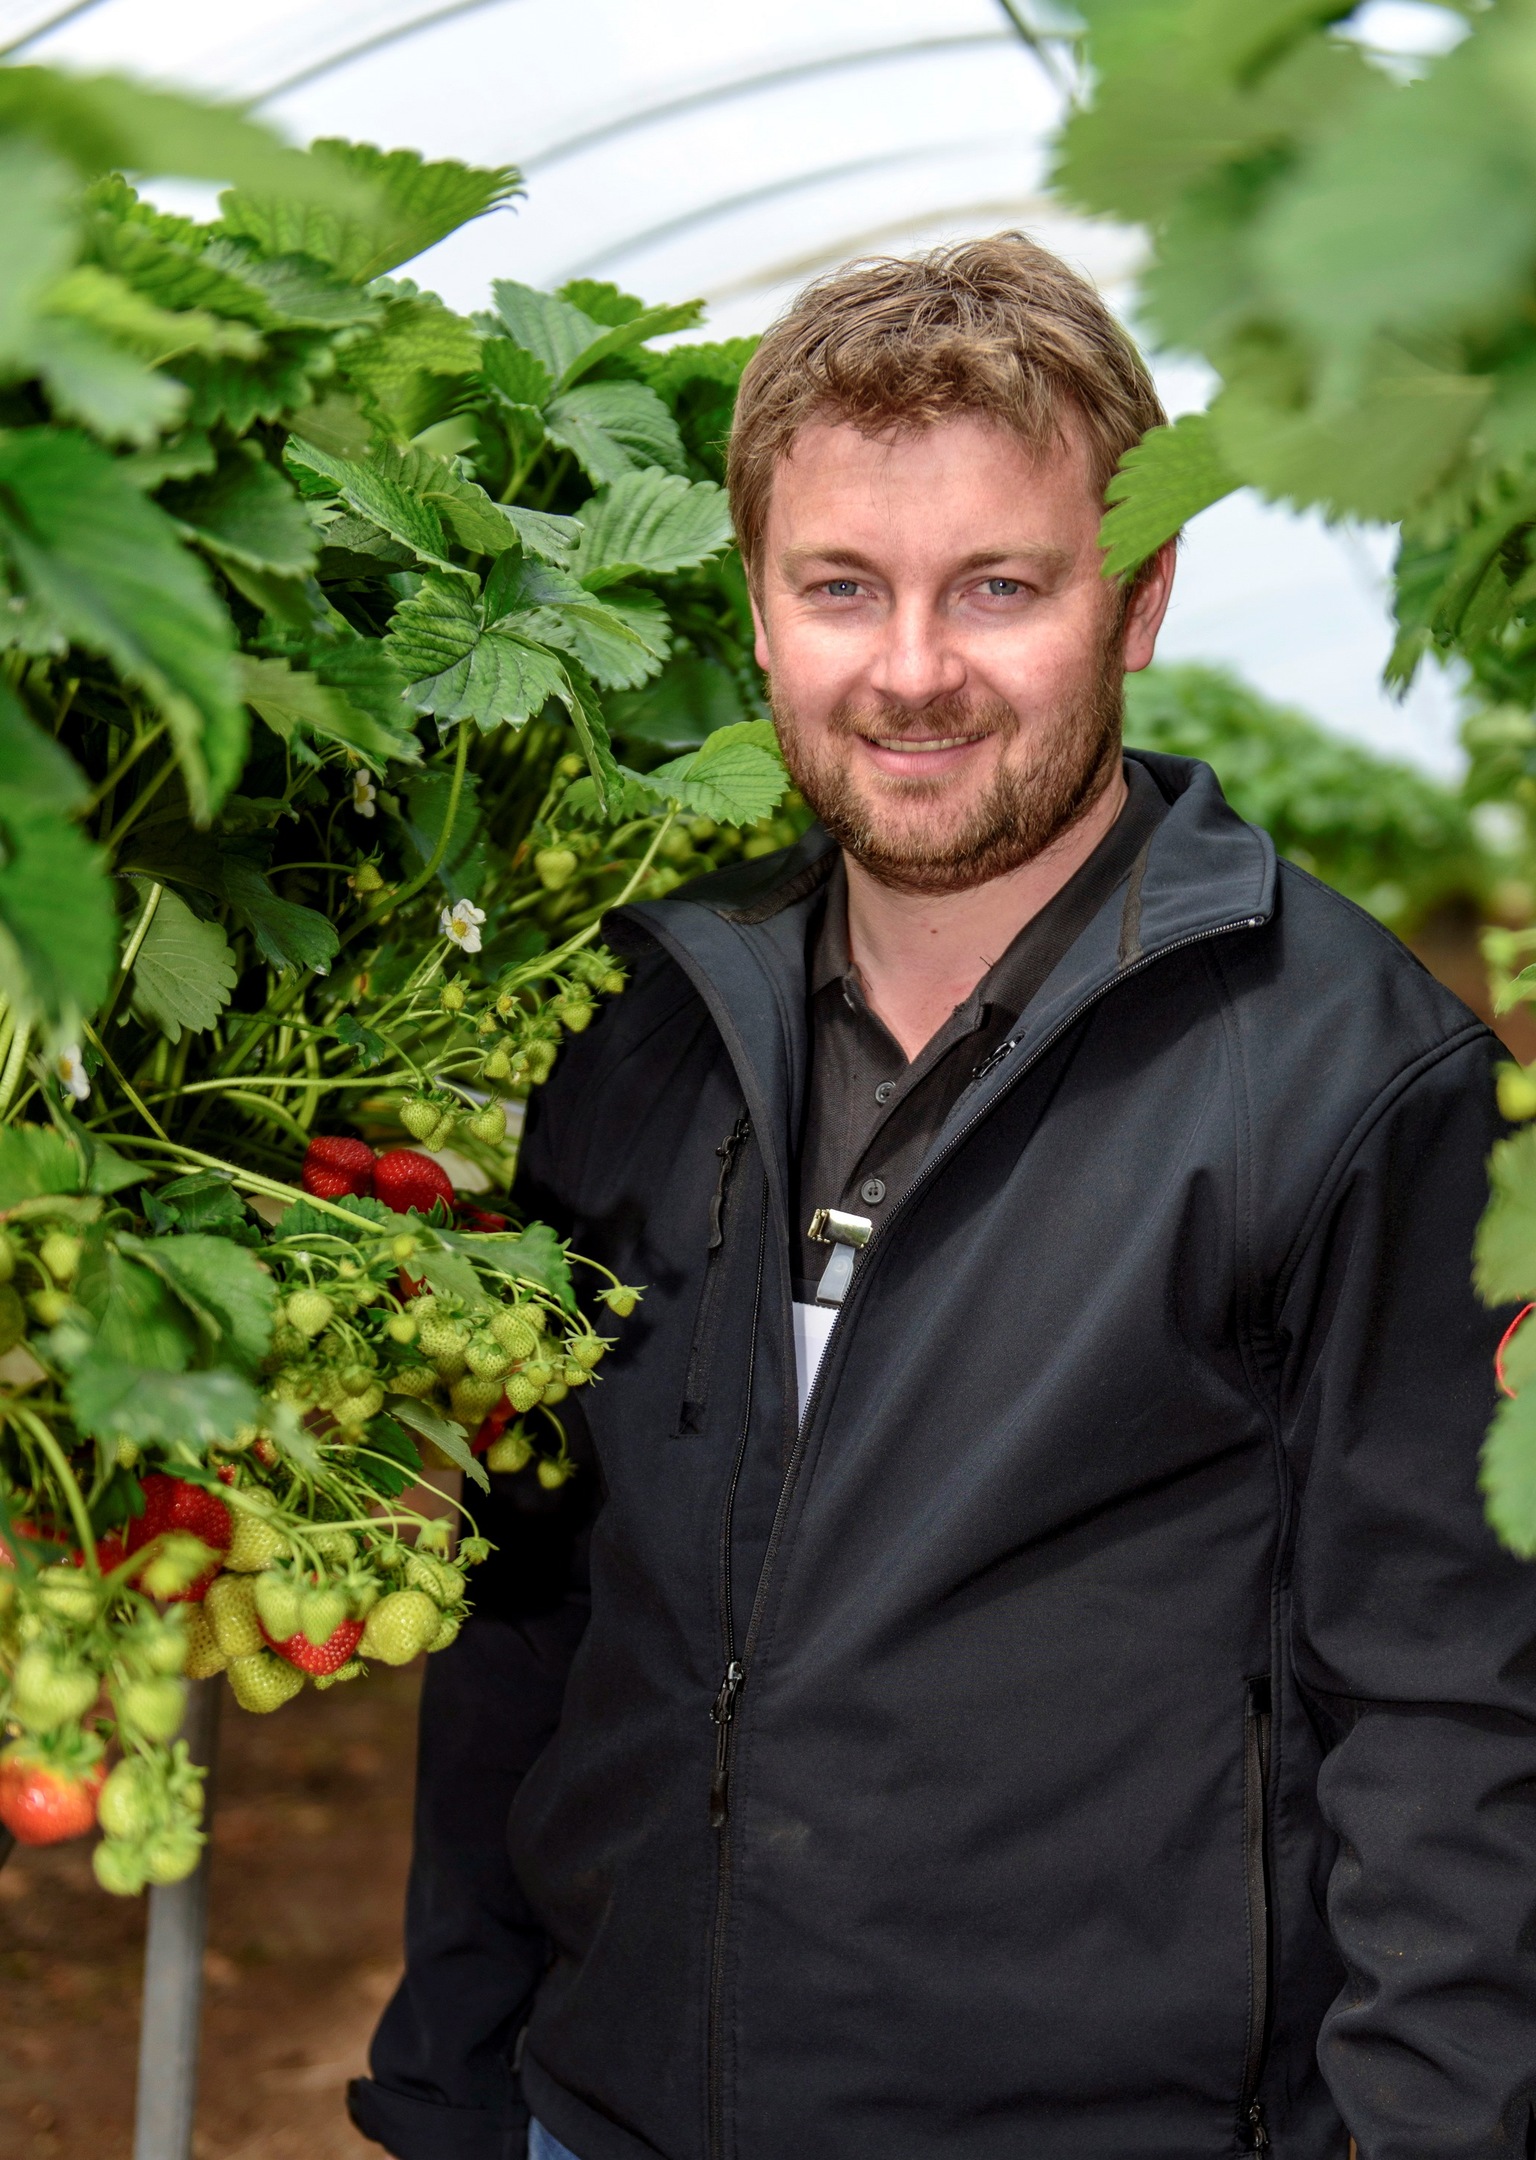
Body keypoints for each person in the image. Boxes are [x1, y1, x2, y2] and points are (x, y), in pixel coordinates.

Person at [349, 235, 1536, 2160]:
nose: (911, 672)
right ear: (755, 613)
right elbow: (536, 1633)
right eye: (843, 588)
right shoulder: (644, 1030)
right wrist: (452, 2086)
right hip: (605, 2118)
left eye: (999, 586)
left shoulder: (1357, 1088)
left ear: (1139, 598)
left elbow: (1461, 1730)